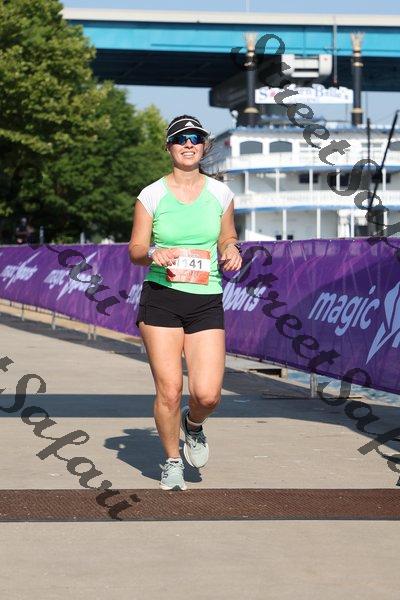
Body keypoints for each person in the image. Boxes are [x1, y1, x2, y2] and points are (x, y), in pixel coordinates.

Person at [128, 114, 242, 491]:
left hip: (206, 299)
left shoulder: (221, 194)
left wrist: (231, 250)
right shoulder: (151, 195)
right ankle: (172, 460)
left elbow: (227, 237)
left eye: (195, 138)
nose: (188, 143)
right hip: (161, 298)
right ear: (169, 147)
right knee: (170, 389)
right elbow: (135, 249)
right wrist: (154, 253)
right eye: (180, 138)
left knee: (207, 395)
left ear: (204, 146)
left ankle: (193, 425)